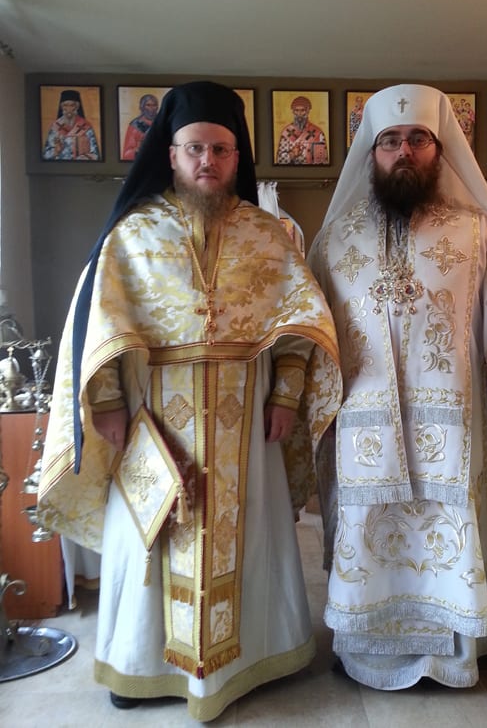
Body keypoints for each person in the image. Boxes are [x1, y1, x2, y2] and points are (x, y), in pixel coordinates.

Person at [37, 81, 342, 722]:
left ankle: (257, 657)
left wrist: (287, 395)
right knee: (150, 536)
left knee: (252, 537)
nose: (209, 161)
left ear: (238, 157)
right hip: (154, 416)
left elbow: (299, 326)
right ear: (171, 154)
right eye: (195, 148)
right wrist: (107, 401)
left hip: (245, 419)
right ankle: (142, 666)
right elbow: (100, 323)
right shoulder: (131, 234)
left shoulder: (269, 234)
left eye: (222, 150)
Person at [307, 84, 487, 691]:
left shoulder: (474, 230)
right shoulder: (335, 240)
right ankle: (365, 653)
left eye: (419, 139)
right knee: (368, 534)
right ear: (372, 152)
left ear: (439, 150)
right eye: (390, 140)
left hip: (450, 428)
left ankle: (453, 656)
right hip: (363, 430)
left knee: (448, 531)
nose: (404, 151)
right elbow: (310, 324)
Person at [43, 89, 100, 160]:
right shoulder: (56, 127)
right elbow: (45, 155)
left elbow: (95, 154)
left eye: (72, 105)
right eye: (65, 105)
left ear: (77, 107)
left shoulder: (86, 126)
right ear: (61, 107)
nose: (68, 109)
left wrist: (82, 158)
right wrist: (56, 151)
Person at [276, 95, 329, 165]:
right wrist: (292, 154)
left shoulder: (318, 133)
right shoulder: (286, 132)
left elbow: (323, 161)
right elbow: (280, 160)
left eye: (302, 110)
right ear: (293, 111)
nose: (299, 114)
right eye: (296, 110)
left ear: (307, 111)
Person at [121, 93, 159, 160]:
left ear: (157, 107)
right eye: (148, 105)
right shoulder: (135, 125)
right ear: (142, 107)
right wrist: (139, 148)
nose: (152, 108)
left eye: (154, 105)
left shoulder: (162, 123)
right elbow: (126, 154)